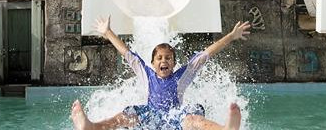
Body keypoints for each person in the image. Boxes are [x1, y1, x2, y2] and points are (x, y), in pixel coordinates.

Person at [70, 16, 249, 130]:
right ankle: (91, 127)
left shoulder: (182, 76)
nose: (164, 61)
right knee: (122, 118)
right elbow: (126, 52)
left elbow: (206, 54)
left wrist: (231, 36)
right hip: (151, 117)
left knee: (194, 120)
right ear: (153, 62)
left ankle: (225, 129)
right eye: (160, 58)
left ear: (174, 63)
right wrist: (107, 32)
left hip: (176, 118)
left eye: (169, 58)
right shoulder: (146, 74)